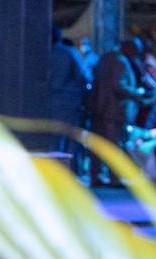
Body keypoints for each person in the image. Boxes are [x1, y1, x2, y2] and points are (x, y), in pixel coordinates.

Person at [87, 38, 150, 186]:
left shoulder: (105, 57)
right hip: (114, 110)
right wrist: (136, 94)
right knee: (113, 145)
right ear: (128, 48)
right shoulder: (120, 61)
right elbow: (118, 85)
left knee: (98, 145)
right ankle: (114, 178)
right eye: (135, 51)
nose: (135, 55)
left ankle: (95, 175)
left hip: (99, 108)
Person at [47, 26, 89, 159]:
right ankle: (69, 172)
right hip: (68, 101)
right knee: (71, 138)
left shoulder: (41, 53)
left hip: (47, 101)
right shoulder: (69, 53)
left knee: (52, 139)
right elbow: (82, 77)